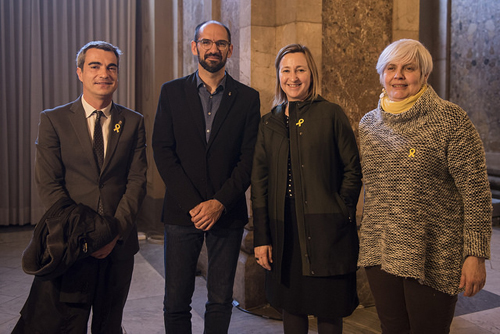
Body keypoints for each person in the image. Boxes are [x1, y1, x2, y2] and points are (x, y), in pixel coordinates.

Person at [358, 39, 492, 334]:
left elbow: (476, 193)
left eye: (409, 68)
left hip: (433, 253)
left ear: (424, 74)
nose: (399, 75)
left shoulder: (450, 120)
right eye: (391, 68)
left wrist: (476, 254)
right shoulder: (368, 124)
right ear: (382, 74)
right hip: (381, 251)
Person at [13, 41, 147, 334]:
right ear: (80, 73)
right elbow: (49, 184)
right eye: (95, 66)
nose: (104, 73)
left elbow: (137, 181)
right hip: (70, 244)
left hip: (118, 246)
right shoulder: (54, 120)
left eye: (111, 67)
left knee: (109, 325)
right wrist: (89, 235)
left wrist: (111, 233)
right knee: (66, 325)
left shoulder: (133, 122)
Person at [152, 20, 260, 334]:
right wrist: (196, 205)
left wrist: (219, 203)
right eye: (206, 42)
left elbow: (249, 158)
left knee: (220, 299)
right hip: (181, 211)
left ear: (229, 49)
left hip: (226, 213)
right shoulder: (171, 92)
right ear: (194, 46)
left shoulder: (248, 98)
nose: (213, 49)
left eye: (221, 43)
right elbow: (163, 150)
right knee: (175, 300)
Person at [251, 44, 362, 334]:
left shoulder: (332, 114)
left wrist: (341, 209)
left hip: (326, 228)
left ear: (311, 73)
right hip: (284, 230)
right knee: (293, 308)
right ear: (278, 75)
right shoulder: (269, 122)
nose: (293, 77)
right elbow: (259, 183)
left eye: (300, 69)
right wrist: (262, 237)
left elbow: (353, 169)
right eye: (286, 70)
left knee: (329, 310)